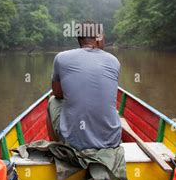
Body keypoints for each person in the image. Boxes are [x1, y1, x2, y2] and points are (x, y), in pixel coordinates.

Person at [46, 22, 122, 150]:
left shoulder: (61, 58)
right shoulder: (114, 61)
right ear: (98, 39)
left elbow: (58, 94)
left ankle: (58, 147)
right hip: (111, 141)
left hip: (73, 143)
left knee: (52, 101)